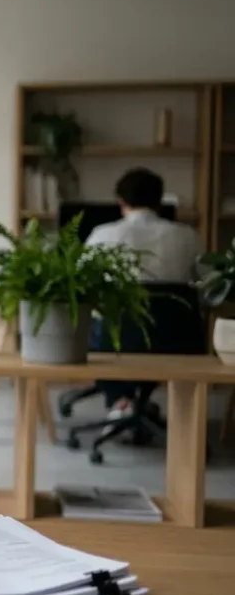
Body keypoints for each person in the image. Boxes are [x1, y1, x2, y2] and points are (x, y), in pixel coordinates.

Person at [84, 168, 204, 419]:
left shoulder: (102, 235)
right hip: (178, 341)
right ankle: (150, 405)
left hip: (114, 341)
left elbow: (81, 286)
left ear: (120, 200)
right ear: (160, 200)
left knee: (98, 326)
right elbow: (209, 284)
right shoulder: (188, 236)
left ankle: (121, 401)